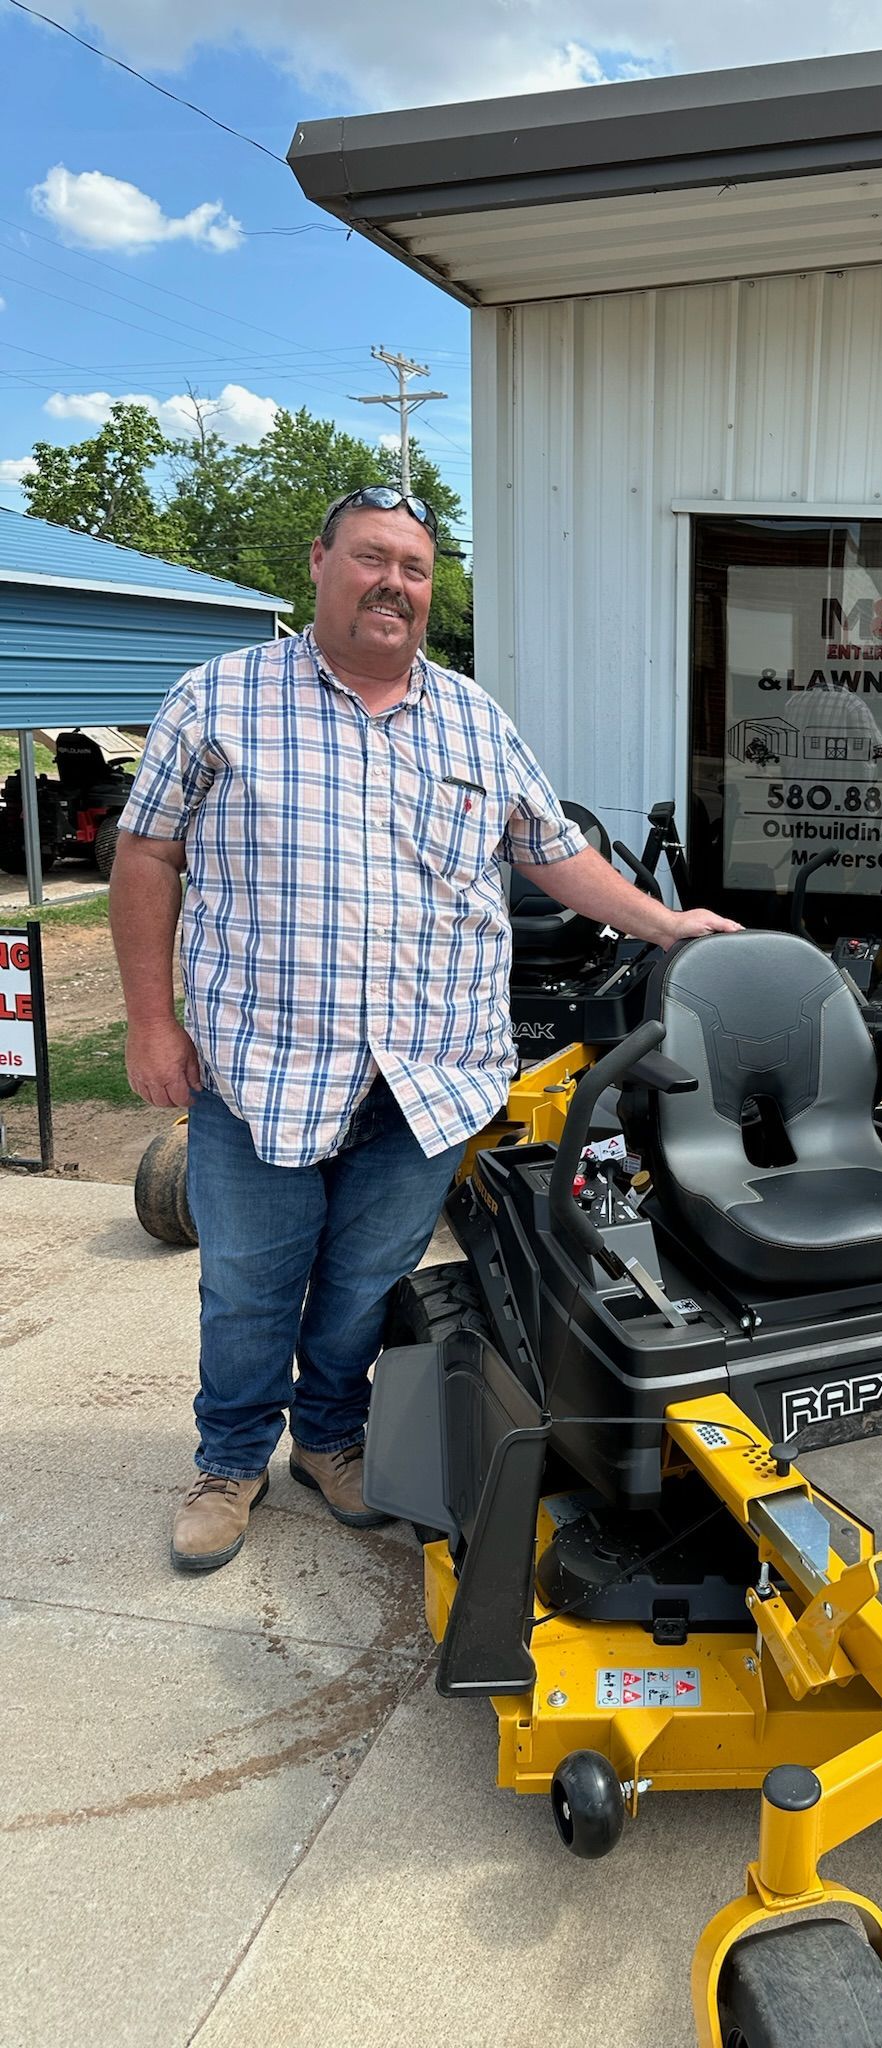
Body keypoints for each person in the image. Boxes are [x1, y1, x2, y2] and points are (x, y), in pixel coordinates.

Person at [111, 484, 740, 1574]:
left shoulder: (471, 716)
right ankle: (228, 1460)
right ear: (320, 562)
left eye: (414, 568)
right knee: (249, 1286)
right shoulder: (219, 697)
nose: (393, 583)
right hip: (264, 1067)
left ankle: (330, 1439)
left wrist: (662, 921)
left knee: (366, 1283)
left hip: (428, 1075)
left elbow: (550, 849)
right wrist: (150, 1022)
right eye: (371, 558)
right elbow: (147, 854)